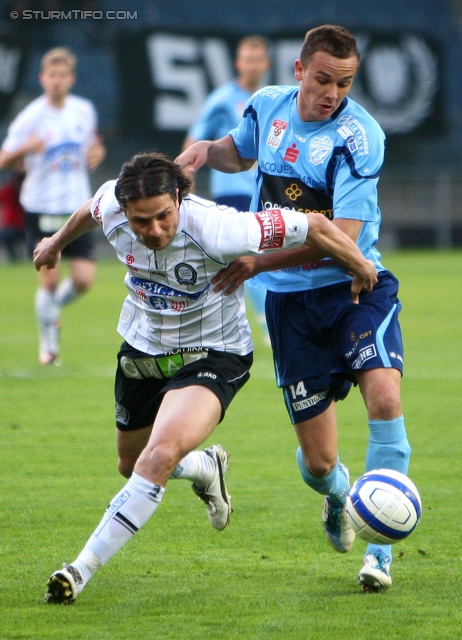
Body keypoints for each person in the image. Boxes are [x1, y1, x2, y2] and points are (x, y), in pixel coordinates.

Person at [33, 151, 376, 604]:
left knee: (155, 459)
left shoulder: (220, 227)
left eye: (162, 216)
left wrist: (360, 264)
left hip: (212, 353)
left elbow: (313, 225)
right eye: (141, 222)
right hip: (143, 348)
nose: (153, 231)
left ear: (178, 196)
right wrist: (56, 243)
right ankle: (204, 466)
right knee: (130, 463)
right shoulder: (112, 204)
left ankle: (77, 571)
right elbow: (87, 212)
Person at [176, 24, 411, 593]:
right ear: (300, 70)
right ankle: (339, 496)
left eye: (345, 83)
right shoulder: (268, 107)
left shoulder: (360, 137)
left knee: (384, 396)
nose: (333, 92)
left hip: (355, 285)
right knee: (319, 465)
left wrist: (259, 261)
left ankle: (380, 552)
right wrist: (204, 152)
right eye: (324, 79)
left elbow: (342, 237)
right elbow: (236, 154)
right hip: (291, 304)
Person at [0, 46, 105, 365]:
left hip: (78, 205)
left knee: (84, 280)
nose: (56, 81)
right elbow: (4, 159)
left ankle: (51, 309)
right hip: (42, 205)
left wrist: (97, 153)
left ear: (71, 78)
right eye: (51, 75)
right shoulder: (30, 117)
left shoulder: (83, 110)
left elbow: (94, 144)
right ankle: (49, 345)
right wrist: (27, 149)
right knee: (49, 278)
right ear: (42, 78)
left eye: (62, 75)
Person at [182, 35, 272, 345]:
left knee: (261, 256)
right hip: (232, 190)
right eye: (247, 58)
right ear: (238, 63)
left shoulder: (272, 100)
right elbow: (196, 138)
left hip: (265, 191)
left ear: (266, 64)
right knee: (246, 256)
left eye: (257, 59)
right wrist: (185, 175)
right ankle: (263, 325)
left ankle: (257, 321)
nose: (252, 65)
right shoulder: (222, 98)